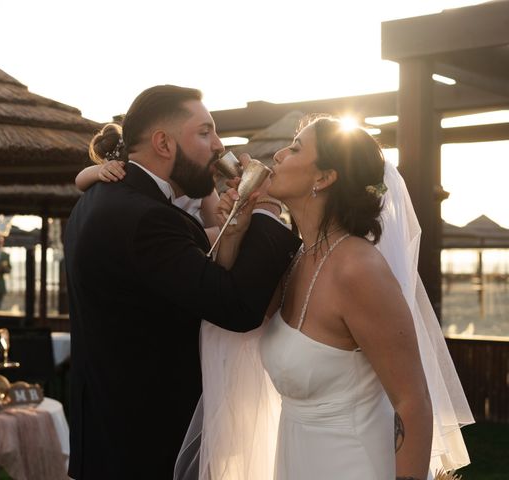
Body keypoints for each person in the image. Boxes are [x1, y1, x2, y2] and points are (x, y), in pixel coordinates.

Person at [177, 115, 473, 480]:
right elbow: (235, 314)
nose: (280, 155)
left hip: (355, 466)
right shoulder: (299, 258)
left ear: (323, 177)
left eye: (296, 147)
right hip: (296, 462)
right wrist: (235, 230)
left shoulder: (358, 269)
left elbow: (413, 402)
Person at [63, 84, 298, 479]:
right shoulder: (147, 220)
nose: (219, 145)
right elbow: (235, 306)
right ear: (163, 143)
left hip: (108, 446)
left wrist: (237, 226)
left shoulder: (98, 202)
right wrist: (269, 211)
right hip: (146, 452)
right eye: (205, 132)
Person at [74, 141, 222, 244]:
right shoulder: (133, 196)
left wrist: (190, 237)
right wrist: (100, 170)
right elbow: (79, 180)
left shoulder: (202, 189)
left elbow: (221, 228)